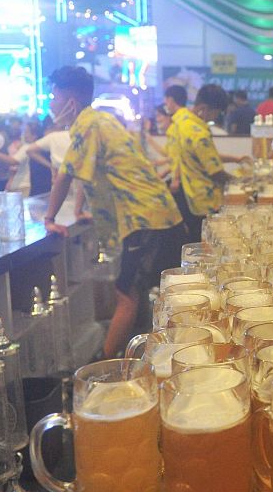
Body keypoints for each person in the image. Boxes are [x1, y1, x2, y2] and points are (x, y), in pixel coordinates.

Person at [42, 66, 185, 359]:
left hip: (146, 218)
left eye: (54, 97)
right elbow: (89, 171)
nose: (51, 104)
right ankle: (143, 357)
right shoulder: (99, 120)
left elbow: (66, 174)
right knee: (143, 292)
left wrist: (49, 219)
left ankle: (107, 367)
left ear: (71, 100)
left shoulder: (87, 124)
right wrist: (79, 209)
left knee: (127, 293)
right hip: (154, 215)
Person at [166, 83, 236, 243]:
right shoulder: (198, 133)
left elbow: (180, 156)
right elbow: (215, 172)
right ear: (204, 108)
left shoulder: (180, 121)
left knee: (194, 243)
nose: (215, 118)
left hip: (187, 196)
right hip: (205, 201)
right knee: (208, 246)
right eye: (216, 113)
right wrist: (240, 183)